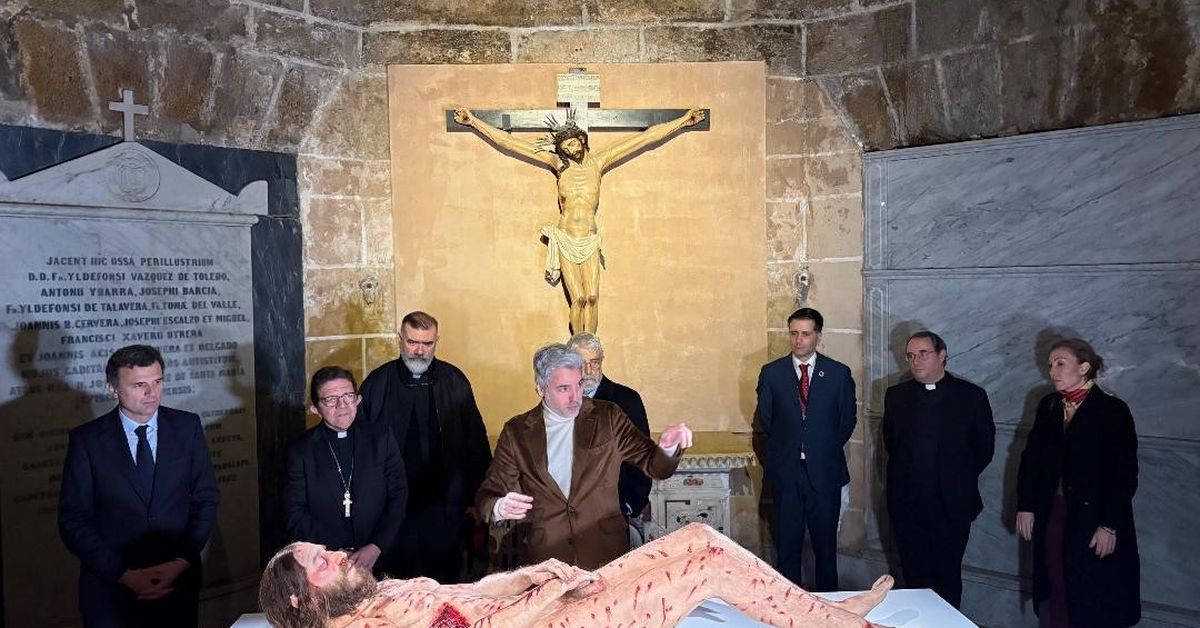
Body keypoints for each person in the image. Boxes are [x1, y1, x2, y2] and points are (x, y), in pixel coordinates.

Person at [258, 521, 895, 628]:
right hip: (553, 624)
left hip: (545, 606)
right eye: (322, 561)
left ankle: (823, 612)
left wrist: (526, 574)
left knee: (700, 537)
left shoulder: (380, 594)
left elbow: (464, 597)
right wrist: (546, 594)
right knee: (703, 569)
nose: (338, 555)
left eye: (327, 550)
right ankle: (841, 623)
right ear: (301, 596)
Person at [453, 106, 706, 333]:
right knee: (579, 299)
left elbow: (644, 139)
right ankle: (577, 346)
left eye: (573, 144)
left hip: (589, 238)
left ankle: (590, 346)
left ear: (582, 140)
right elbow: (509, 143)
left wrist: (683, 121)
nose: (570, 150)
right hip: (566, 237)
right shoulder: (558, 164)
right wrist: (473, 121)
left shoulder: (598, 162)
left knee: (593, 297)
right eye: (565, 148)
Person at [475, 343, 691, 569]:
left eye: (578, 385)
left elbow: (656, 467)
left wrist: (667, 448)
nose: (575, 397)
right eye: (563, 389)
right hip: (546, 562)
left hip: (606, 556)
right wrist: (499, 506)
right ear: (540, 388)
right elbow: (488, 494)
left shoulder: (609, 417)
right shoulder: (517, 432)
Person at [57, 344, 219, 627]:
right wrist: (124, 574)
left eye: (157, 382)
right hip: (111, 591)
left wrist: (181, 561)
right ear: (112, 388)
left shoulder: (187, 427)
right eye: (139, 385)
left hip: (176, 583)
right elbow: (73, 520)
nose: (151, 393)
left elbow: (205, 498)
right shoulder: (87, 441)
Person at [358, 311, 492, 583]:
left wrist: (478, 499)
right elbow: (360, 452)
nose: (419, 351)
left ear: (437, 341)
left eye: (427, 344)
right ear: (400, 339)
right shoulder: (377, 384)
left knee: (445, 583)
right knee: (396, 585)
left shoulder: (455, 381)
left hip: (444, 509)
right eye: (412, 342)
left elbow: (476, 444)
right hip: (392, 513)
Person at [1016, 338, 1141, 627]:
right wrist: (1026, 505)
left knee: (1092, 592)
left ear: (1084, 367)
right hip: (1055, 512)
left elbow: (1123, 474)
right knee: (1056, 584)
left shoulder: (1112, 410)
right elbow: (1031, 460)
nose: (1053, 372)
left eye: (1061, 364)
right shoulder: (1048, 405)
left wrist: (1109, 525)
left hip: (1094, 516)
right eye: (1050, 365)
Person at [882, 331, 995, 608]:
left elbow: (983, 449)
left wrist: (955, 477)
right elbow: (891, 444)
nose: (916, 361)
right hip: (908, 506)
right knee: (914, 577)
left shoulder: (971, 397)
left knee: (947, 577)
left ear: (942, 355)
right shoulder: (896, 396)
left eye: (923, 354)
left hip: (952, 505)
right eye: (910, 356)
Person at [754, 307, 856, 591]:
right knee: (787, 549)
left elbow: (847, 421)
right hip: (787, 475)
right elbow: (767, 419)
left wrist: (818, 448)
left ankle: (827, 614)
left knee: (826, 551)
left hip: (824, 474)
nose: (799, 340)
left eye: (806, 334)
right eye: (794, 333)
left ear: (818, 337)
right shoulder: (772, 373)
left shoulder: (837, 374)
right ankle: (789, 613)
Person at [284, 366, 407, 577]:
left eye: (348, 396)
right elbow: (294, 514)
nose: (342, 406)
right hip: (326, 565)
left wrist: (377, 545)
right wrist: (336, 553)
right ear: (315, 408)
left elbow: (399, 495)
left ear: (358, 400)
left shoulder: (381, 438)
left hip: (381, 558)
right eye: (331, 400)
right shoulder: (300, 451)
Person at [566, 332, 652, 527]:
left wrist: (627, 505)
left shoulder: (626, 400)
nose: (588, 370)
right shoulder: (559, 400)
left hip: (611, 512)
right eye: (581, 363)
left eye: (594, 362)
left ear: (601, 362)